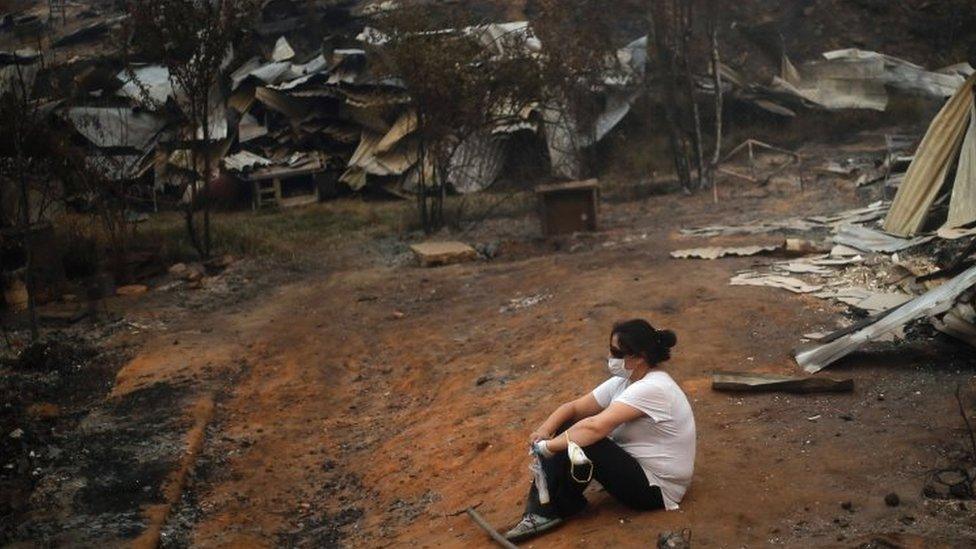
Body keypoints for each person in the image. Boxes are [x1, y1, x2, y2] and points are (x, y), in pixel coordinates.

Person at [505, 319, 697, 542]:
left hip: (657, 490)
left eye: (617, 353)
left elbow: (595, 428)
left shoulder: (653, 388)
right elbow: (574, 408)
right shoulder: (626, 380)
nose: (610, 358)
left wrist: (548, 447)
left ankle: (542, 513)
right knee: (568, 430)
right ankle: (566, 503)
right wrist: (545, 430)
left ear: (639, 357)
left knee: (585, 439)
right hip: (641, 472)